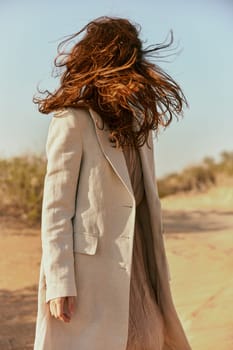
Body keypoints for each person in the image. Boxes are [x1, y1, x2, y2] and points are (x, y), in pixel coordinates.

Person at [33, 16, 192, 350]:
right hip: (90, 271)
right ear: (106, 59)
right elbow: (56, 208)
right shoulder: (72, 120)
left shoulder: (140, 125)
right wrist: (60, 281)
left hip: (138, 263)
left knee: (148, 336)